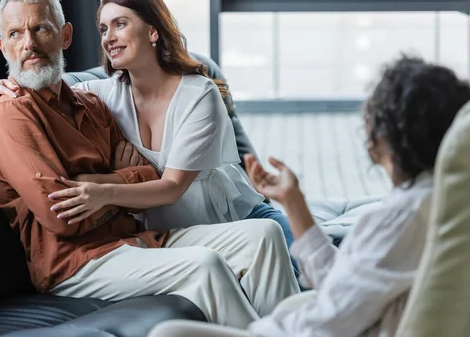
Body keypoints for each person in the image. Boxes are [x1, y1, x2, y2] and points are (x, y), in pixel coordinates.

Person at [0, 0, 299, 330]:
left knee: (266, 235)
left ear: (64, 35)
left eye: (40, 28)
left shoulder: (92, 103)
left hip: (142, 236)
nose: (28, 43)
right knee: (205, 265)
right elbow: (62, 218)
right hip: (76, 262)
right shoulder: (11, 114)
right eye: (15, 34)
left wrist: (98, 188)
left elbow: (150, 176)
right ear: (3, 46)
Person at [146, 55, 470, 337]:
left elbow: (327, 322)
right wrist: (293, 201)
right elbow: (344, 289)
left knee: (167, 332)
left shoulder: (398, 220)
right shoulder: (447, 204)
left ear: (384, 135)